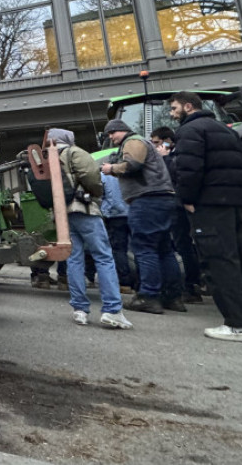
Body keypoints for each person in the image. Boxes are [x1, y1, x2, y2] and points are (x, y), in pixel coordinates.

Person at [169, 91, 242, 344]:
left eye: (174, 108)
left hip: (208, 206)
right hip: (233, 205)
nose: (171, 113)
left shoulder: (190, 132)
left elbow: (188, 169)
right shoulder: (227, 131)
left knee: (220, 263)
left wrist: (186, 199)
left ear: (189, 107)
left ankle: (240, 325)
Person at [50, 128, 132, 329]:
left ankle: (79, 310)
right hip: (84, 209)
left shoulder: (47, 157)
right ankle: (112, 310)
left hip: (62, 214)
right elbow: (91, 176)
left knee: (74, 259)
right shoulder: (74, 152)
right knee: (103, 256)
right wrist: (97, 193)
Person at [100, 119, 184, 314]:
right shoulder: (141, 143)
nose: (111, 138)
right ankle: (173, 297)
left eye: (112, 133)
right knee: (164, 249)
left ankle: (148, 296)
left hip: (147, 200)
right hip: (162, 199)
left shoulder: (132, 141)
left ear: (122, 130)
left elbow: (132, 165)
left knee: (145, 248)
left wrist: (110, 169)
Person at [150, 126, 203, 303]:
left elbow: (171, 178)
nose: (155, 147)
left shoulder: (173, 158)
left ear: (168, 141)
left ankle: (190, 285)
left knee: (182, 245)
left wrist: (164, 159)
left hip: (178, 206)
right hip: (183, 205)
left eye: (157, 143)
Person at [99, 165, 134, 294]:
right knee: (140, 249)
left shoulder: (105, 176)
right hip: (134, 212)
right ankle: (140, 283)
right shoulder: (132, 172)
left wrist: (105, 211)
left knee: (118, 249)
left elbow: (104, 196)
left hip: (115, 216)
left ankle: (124, 282)